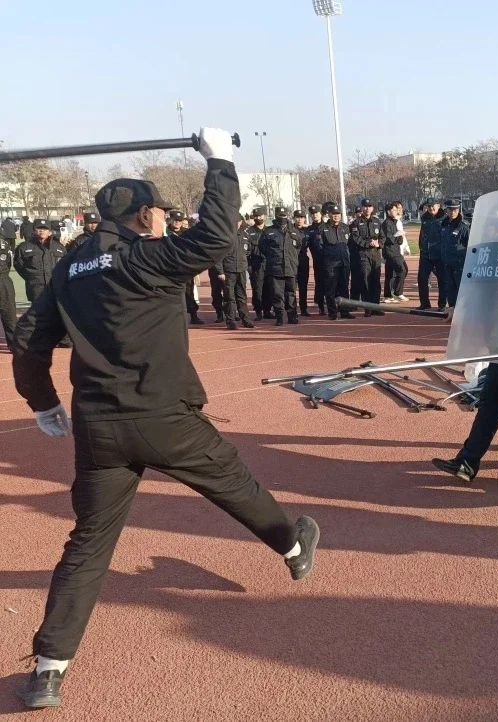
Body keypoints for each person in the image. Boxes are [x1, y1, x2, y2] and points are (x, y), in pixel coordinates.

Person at [9, 128, 320, 710]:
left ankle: (49, 668)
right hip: (163, 415)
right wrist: (220, 162)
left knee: (88, 545)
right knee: (235, 486)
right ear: (143, 215)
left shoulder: (71, 265)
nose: (163, 220)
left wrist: (43, 402)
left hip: (99, 425)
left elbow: (29, 340)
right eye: (159, 213)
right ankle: (293, 546)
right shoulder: (145, 256)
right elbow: (217, 235)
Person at [259, 206, 302, 325]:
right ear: (276, 216)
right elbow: (262, 248)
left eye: (284, 216)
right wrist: (274, 258)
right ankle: (279, 317)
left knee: (291, 294)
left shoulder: (294, 231)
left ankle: (292, 316)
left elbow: (298, 247)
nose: (282, 218)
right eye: (280, 216)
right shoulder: (268, 231)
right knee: (277, 294)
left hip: (291, 267)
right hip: (275, 268)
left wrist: (292, 258)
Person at [213, 216, 256, 330]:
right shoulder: (224, 235)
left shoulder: (245, 235)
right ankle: (231, 321)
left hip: (241, 270)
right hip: (228, 270)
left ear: (241, 222)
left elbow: (248, 251)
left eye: (238, 221)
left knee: (242, 296)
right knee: (229, 297)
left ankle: (246, 319)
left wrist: (244, 263)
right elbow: (218, 255)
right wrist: (220, 271)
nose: (236, 223)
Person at [14, 219, 67, 304]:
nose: (42, 230)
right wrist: (32, 278)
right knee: (37, 311)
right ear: (34, 230)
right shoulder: (24, 247)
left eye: (45, 229)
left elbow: (64, 266)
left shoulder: (59, 248)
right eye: (39, 228)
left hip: (55, 287)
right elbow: (19, 265)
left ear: (50, 232)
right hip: (35, 288)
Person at [317, 201, 353, 319]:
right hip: (331, 264)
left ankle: (345, 311)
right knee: (331, 289)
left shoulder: (345, 227)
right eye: (333, 214)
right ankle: (332, 313)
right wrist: (328, 258)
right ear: (329, 214)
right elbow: (319, 247)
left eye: (338, 214)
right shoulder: (322, 229)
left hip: (344, 263)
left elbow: (350, 244)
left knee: (344, 288)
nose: (336, 216)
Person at [349, 199, 383, 311]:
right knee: (365, 281)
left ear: (372, 208)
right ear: (362, 208)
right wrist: (368, 243)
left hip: (376, 254)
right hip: (363, 254)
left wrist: (379, 243)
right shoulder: (356, 223)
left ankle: (376, 307)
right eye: (365, 206)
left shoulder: (377, 221)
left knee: (376, 281)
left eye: (369, 206)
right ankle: (368, 308)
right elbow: (356, 238)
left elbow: (383, 237)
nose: (367, 208)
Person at [439, 198, 469, 307]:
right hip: (447, 263)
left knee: (460, 289)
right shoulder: (444, 224)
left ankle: (462, 310)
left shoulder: (463, 226)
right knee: (450, 289)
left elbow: (469, 245)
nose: (453, 213)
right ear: (446, 210)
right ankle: (452, 309)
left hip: (459, 265)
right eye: (450, 210)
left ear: (458, 210)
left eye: (455, 210)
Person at [417, 199, 446, 310]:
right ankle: (424, 303)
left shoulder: (444, 218)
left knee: (442, 280)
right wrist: (421, 247)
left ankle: (442, 304)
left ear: (438, 205)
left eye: (433, 206)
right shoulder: (424, 218)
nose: (431, 208)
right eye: (429, 206)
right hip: (426, 254)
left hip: (440, 254)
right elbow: (422, 234)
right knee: (422, 278)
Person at [244, 207, 269, 320]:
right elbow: (246, 251)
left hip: (268, 264)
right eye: (256, 216)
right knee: (257, 289)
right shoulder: (248, 232)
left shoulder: (270, 231)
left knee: (268, 288)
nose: (258, 218)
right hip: (255, 265)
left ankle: (267, 310)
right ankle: (258, 311)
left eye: (260, 215)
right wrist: (249, 266)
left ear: (265, 216)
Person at [381, 202, 407, 303]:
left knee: (390, 274)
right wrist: (398, 237)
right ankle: (397, 292)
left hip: (395, 250)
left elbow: (398, 239)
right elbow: (389, 238)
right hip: (391, 251)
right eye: (394, 210)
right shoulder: (386, 223)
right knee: (402, 270)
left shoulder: (394, 222)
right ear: (388, 212)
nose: (396, 212)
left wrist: (400, 237)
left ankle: (388, 295)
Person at [302, 205, 325, 316]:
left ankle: (334, 306)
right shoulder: (308, 230)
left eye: (317, 213)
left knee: (333, 283)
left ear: (321, 214)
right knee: (320, 283)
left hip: (330, 259)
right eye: (313, 214)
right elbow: (304, 245)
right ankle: (321, 307)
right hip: (318, 260)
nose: (315, 215)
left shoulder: (327, 226)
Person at [0, 219, 16, 351]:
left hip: (3, 278)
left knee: (8, 314)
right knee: (9, 314)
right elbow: (8, 263)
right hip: (4, 278)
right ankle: (14, 344)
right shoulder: (4, 243)